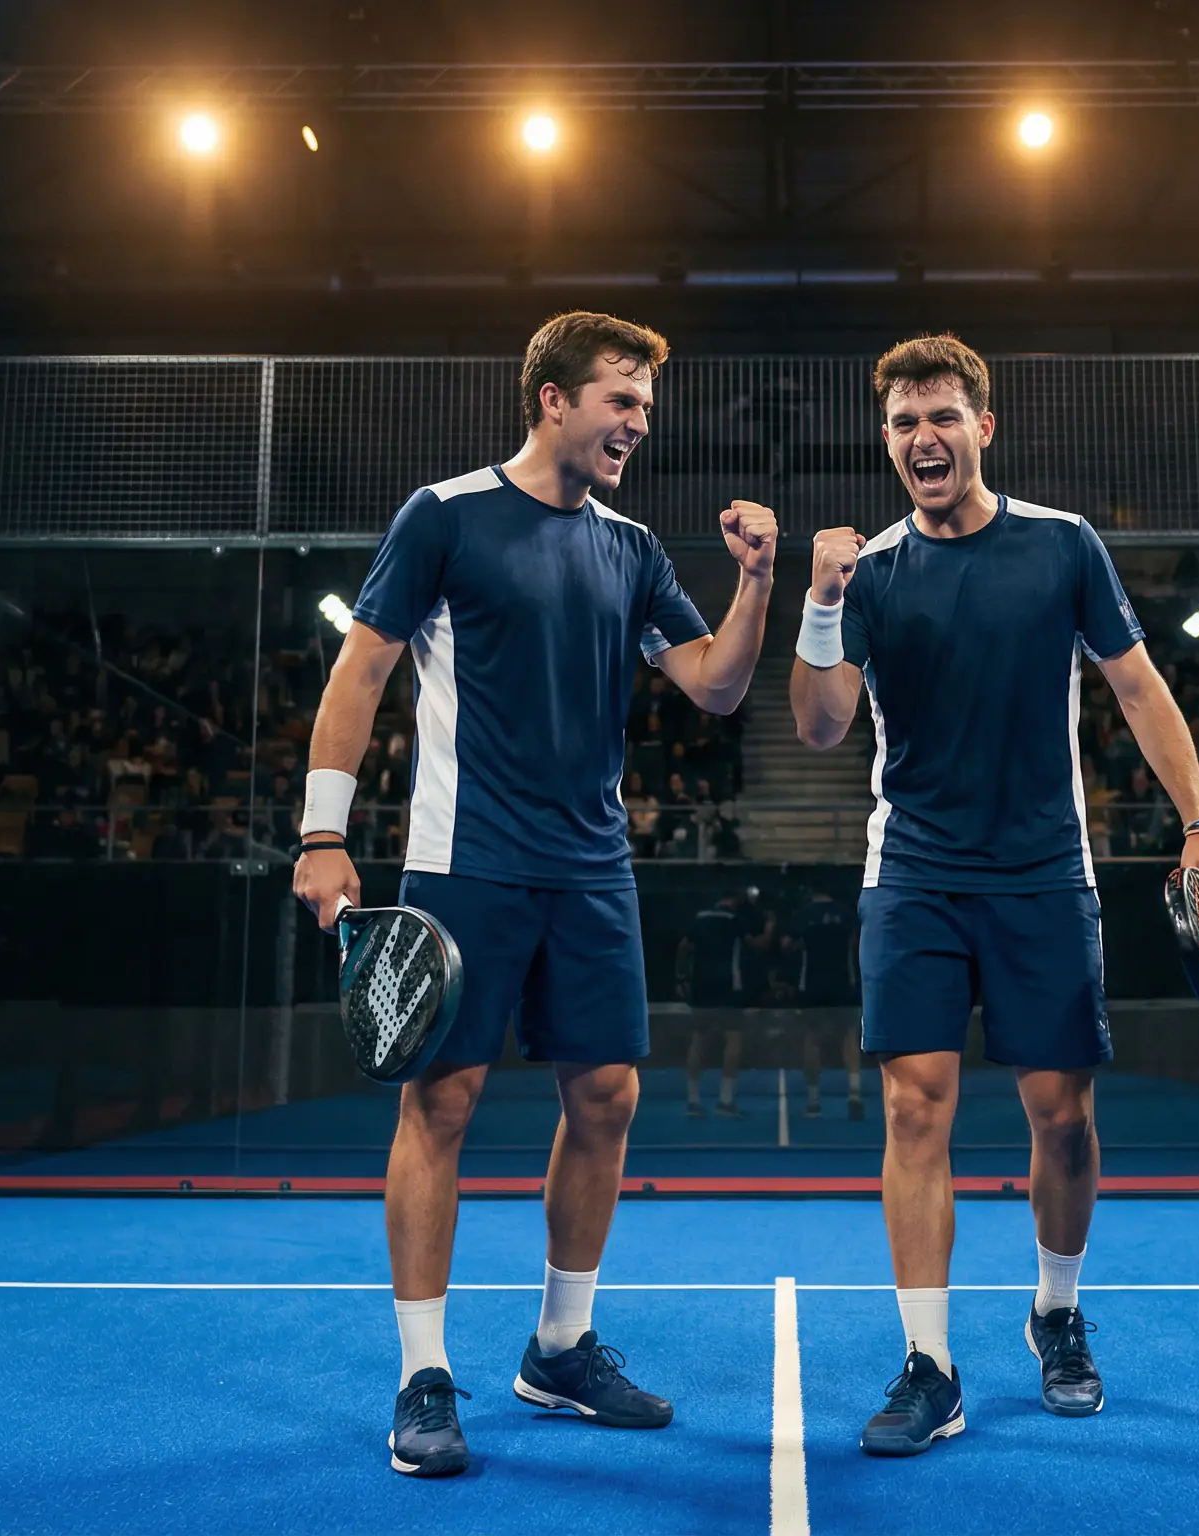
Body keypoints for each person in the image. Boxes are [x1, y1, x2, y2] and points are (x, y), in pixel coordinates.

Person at [291, 312, 779, 1478]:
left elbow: (713, 686)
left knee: (606, 1095)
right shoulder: (444, 515)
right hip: (463, 860)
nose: (638, 422)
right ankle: (422, 1376)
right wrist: (321, 832)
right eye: (621, 398)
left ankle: (559, 1349)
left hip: (591, 868)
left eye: (646, 406)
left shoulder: (632, 547)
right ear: (552, 399)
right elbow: (361, 668)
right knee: (442, 1104)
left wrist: (759, 580)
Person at [789, 335, 1199, 1456]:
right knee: (914, 1110)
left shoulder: (1063, 543)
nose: (923, 438)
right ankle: (928, 1363)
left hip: (1044, 874)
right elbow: (820, 725)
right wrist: (821, 601)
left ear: (983, 428)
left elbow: (1138, 688)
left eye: (942, 416)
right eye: (904, 423)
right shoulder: (869, 572)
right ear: (886, 439)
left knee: (1063, 1117)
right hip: (915, 874)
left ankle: (1056, 1312)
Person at [784, 885, 864, 1119]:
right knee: (849, 1037)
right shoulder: (846, 913)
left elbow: (786, 944)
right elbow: (859, 942)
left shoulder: (803, 914)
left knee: (812, 1039)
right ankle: (854, 1093)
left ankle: (813, 1101)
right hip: (843, 983)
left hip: (811, 985)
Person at [680, 889, 751, 1118]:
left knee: (699, 1038)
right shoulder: (735, 920)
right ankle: (725, 1100)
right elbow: (754, 945)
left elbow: (684, 946)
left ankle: (693, 1101)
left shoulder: (700, 918)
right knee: (734, 1039)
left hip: (701, 985)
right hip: (729, 986)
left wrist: (681, 977)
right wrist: (770, 928)